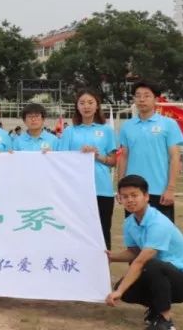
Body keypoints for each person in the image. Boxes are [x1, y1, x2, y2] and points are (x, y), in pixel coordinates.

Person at [106, 175, 183, 330]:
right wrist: (111, 257)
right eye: (125, 196)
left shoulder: (158, 223)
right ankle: (156, 308)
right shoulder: (129, 222)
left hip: (182, 281)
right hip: (159, 272)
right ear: (120, 199)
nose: (130, 200)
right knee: (127, 291)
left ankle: (165, 321)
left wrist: (118, 292)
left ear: (146, 196)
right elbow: (134, 252)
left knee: (150, 265)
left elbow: (141, 260)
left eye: (134, 195)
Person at [118, 82, 183, 222]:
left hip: (160, 191)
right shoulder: (127, 126)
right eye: (138, 96)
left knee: (161, 233)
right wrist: (120, 187)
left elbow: (175, 157)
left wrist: (170, 189)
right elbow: (124, 157)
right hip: (132, 191)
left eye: (146, 96)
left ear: (156, 99)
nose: (141, 99)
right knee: (134, 232)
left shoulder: (169, 124)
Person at [59, 89, 116, 250]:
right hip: (76, 191)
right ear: (77, 106)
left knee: (103, 232)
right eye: (82, 103)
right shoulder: (69, 132)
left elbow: (113, 161)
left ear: (97, 106)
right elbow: (61, 161)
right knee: (76, 234)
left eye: (90, 102)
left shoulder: (107, 130)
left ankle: (104, 265)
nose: (86, 106)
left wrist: (98, 156)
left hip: (102, 189)